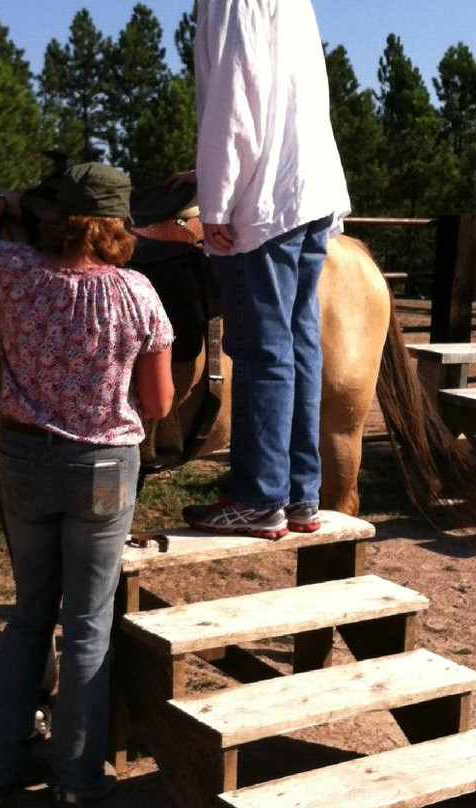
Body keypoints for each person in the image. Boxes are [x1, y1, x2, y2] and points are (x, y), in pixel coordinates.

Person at [0, 162, 175, 804]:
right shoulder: (138, 293)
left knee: (28, 614)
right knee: (87, 625)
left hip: (23, 459)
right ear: (116, 223)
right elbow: (157, 404)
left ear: (58, 218)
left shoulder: (16, 273)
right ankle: (76, 780)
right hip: (102, 470)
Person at [176, 0, 351, 540]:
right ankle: (300, 493)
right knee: (297, 346)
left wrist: (217, 200)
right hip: (308, 188)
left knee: (260, 348)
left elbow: (234, 95)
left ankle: (257, 497)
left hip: (265, 198)